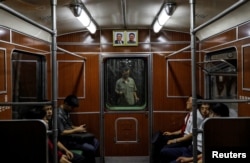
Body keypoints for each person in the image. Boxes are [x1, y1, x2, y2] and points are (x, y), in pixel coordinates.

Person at [160, 102, 230, 163]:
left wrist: (190, 160)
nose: (208, 114)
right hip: (191, 148)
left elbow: (209, 153)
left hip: (196, 152)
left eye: (211, 113)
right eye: (202, 108)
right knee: (163, 152)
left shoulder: (219, 132)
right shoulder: (208, 123)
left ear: (218, 115)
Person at [152, 95, 203, 163]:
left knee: (164, 147)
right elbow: (184, 129)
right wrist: (172, 133)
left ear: (194, 103)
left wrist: (175, 140)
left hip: (186, 141)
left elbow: (191, 135)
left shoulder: (196, 116)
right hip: (183, 136)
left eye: (189, 101)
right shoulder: (190, 114)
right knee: (161, 138)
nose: (186, 102)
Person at [57, 95, 99, 163]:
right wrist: (76, 130)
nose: (72, 109)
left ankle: (88, 159)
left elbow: (70, 126)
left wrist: (79, 128)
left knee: (95, 141)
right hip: (67, 141)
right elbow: (62, 132)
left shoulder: (66, 112)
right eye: (72, 107)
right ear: (66, 103)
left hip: (73, 136)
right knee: (91, 149)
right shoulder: (58, 115)